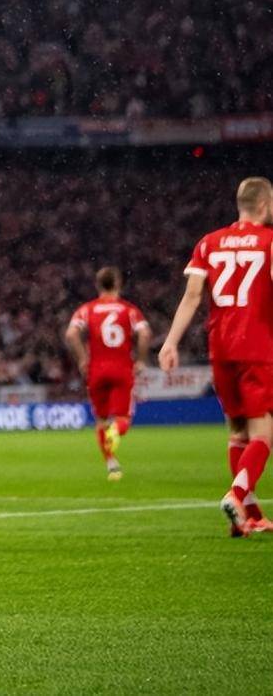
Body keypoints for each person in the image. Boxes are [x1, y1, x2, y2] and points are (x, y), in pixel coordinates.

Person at [159, 176, 273, 536]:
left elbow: (192, 296)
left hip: (221, 347)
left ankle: (249, 516)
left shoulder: (209, 242)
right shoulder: (269, 241)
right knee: (264, 433)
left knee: (238, 430)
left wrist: (171, 342)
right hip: (257, 346)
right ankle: (237, 495)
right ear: (265, 204)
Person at [64, 268, 151, 480]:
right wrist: (141, 360)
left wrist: (82, 358)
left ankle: (112, 464)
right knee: (122, 419)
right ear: (118, 283)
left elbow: (71, 333)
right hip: (122, 368)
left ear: (97, 284)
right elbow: (145, 333)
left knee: (101, 420)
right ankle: (115, 431)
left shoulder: (88, 309)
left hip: (97, 369)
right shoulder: (128, 310)